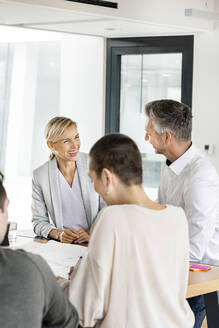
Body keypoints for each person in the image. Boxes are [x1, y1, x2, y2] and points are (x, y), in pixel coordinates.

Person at [69, 133, 194, 328]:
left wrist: (72, 280)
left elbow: (83, 310)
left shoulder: (111, 218)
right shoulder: (177, 217)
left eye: (93, 179)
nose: (94, 188)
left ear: (107, 177)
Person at [145, 99, 219, 328]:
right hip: (179, 261)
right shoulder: (170, 163)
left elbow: (195, 250)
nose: (146, 138)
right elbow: (162, 211)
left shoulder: (199, 177)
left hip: (204, 272)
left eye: (149, 132)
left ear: (166, 137)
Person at [0, 173, 78, 328]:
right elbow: (68, 321)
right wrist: (57, 233)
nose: (74, 146)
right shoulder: (29, 267)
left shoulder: (86, 165)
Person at [32, 116, 104, 244]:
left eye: (76, 137)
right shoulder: (40, 175)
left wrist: (93, 233)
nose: (75, 145)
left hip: (95, 243)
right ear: (51, 145)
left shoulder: (95, 163)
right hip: (63, 247)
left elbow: (109, 210)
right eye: (66, 141)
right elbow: (38, 221)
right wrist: (58, 234)